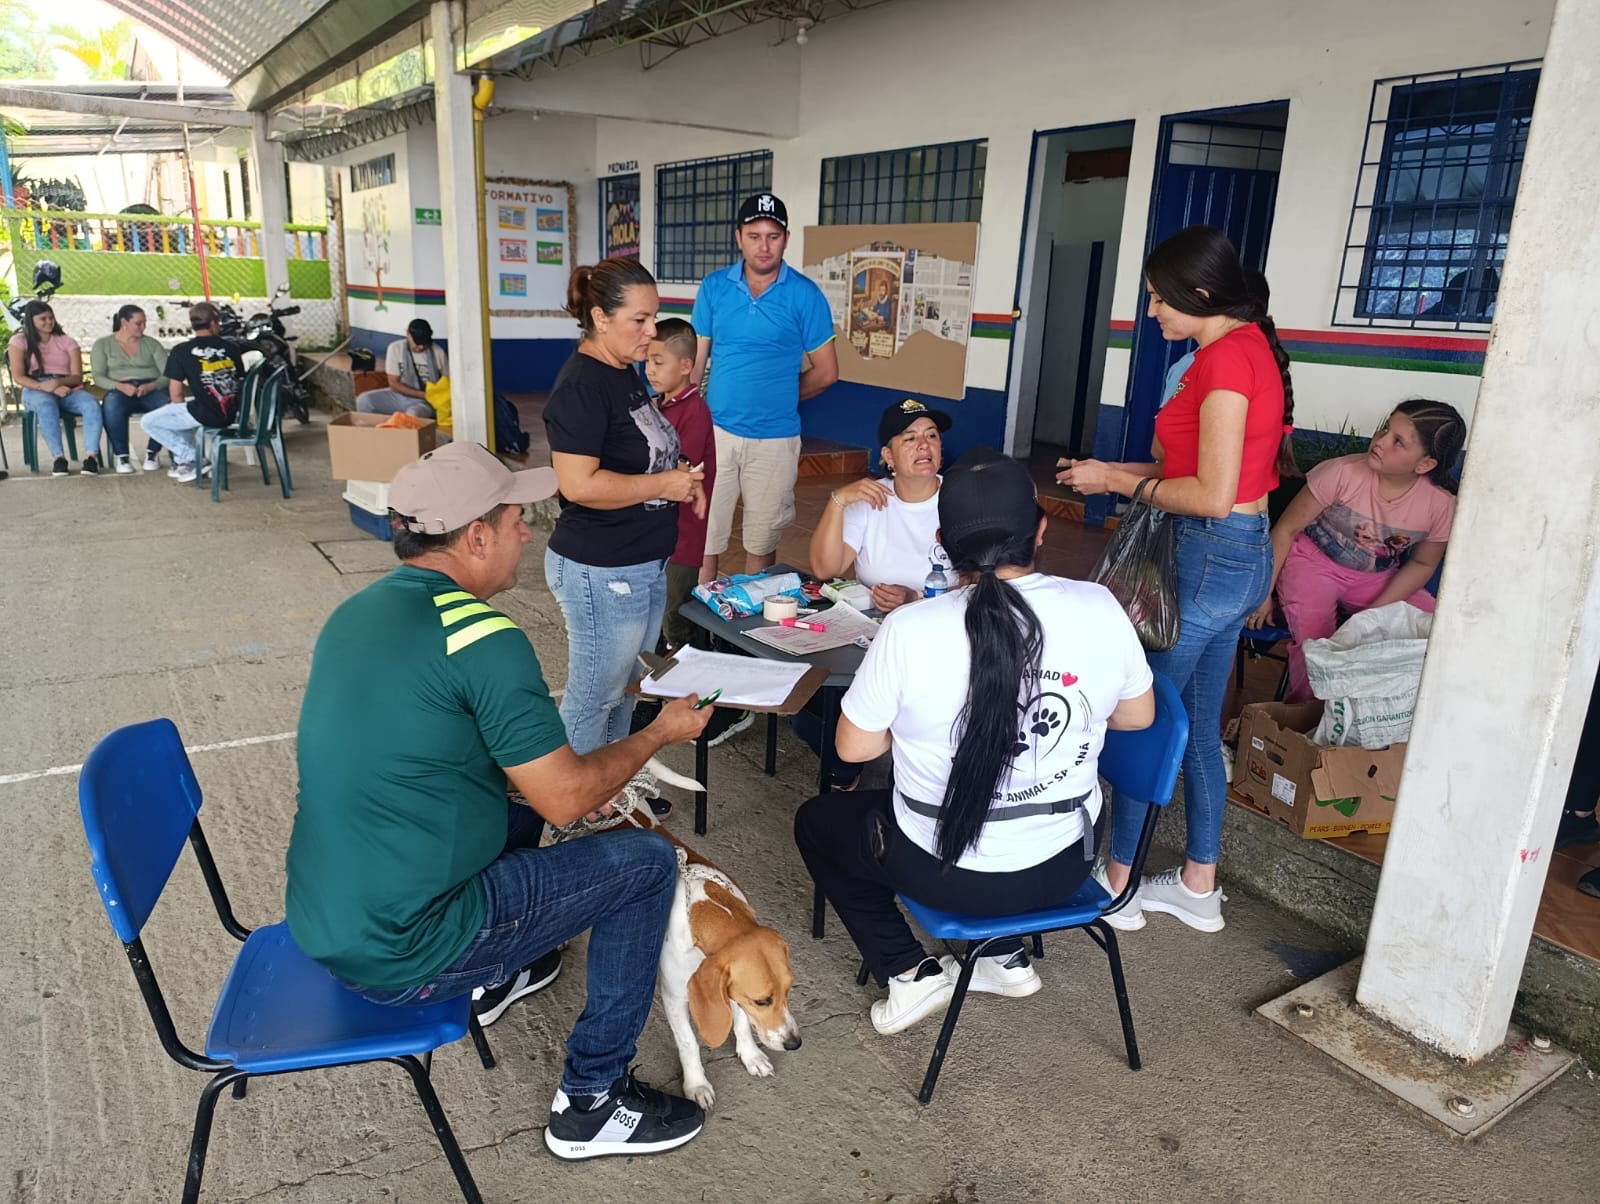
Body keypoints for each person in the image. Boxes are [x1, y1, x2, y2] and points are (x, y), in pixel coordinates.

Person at [285, 440, 713, 1161]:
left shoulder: (357, 613)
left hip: (329, 917)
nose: (529, 531)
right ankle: (593, 1101)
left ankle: (510, 965)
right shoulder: (484, 637)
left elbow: (469, 762)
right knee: (644, 864)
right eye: (518, 518)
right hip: (407, 951)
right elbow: (567, 799)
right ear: (475, 536)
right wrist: (661, 733)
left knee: (522, 804)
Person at [795, 447, 1154, 1035]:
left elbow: (855, 750)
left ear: (943, 541)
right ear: (1040, 531)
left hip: (942, 870)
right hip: (1065, 865)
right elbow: (1137, 718)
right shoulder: (1099, 606)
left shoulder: (911, 628)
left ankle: (910, 973)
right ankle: (1001, 954)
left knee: (818, 822)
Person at [1059, 224, 1293, 934]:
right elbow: (1207, 477)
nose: (1152, 312)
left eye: (1160, 300)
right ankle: (1197, 883)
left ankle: (1117, 882)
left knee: (1143, 713)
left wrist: (1121, 485)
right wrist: (1114, 474)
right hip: (1238, 558)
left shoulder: (1226, 361)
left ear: (1199, 294)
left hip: (1208, 552)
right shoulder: (1243, 349)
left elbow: (1209, 495)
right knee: (1189, 728)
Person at [543, 258, 706, 755]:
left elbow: (641, 449)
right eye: (640, 320)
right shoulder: (582, 385)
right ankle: (571, 805)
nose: (651, 332)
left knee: (626, 695)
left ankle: (608, 792)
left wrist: (680, 480)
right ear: (600, 318)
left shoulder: (624, 374)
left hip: (641, 563)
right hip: (601, 567)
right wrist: (664, 483)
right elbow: (578, 485)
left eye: (654, 317)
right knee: (595, 697)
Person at [1246, 399, 1465, 702]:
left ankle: (1396, 717)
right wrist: (1262, 595)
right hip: (1312, 563)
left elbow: (1423, 564)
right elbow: (1285, 530)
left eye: (1398, 441)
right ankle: (1308, 719)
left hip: (1375, 577)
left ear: (1425, 464)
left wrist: (1374, 613)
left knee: (1435, 627)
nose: (1380, 441)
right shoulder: (1342, 472)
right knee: (1316, 639)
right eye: (1385, 428)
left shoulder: (1440, 505)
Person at [691, 192, 840, 581]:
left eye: (772, 236)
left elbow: (826, 372)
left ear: (786, 239)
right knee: (706, 537)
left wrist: (784, 396)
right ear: (738, 237)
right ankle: (699, 631)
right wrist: (687, 424)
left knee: (761, 541)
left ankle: (746, 632)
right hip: (716, 433)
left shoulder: (805, 295)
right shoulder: (714, 288)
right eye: (754, 235)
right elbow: (695, 364)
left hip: (775, 441)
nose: (763, 245)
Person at [809, 398, 953, 614]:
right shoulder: (871, 498)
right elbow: (825, 569)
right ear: (889, 456)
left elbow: (981, 579)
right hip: (874, 622)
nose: (924, 444)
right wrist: (837, 501)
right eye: (910, 438)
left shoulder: (961, 496)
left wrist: (916, 596)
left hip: (944, 618)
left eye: (932, 435)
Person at [644, 317, 717, 653]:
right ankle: (658, 692)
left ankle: (695, 691)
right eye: (647, 360)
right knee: (655, 616)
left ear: (686, 365)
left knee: (677, 618)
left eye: (659, 362)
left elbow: (680, 466)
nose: (650, 370)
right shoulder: (658, 405)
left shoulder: (695, 411)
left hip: (682, 539)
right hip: (654, 534)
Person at [140, 302, 250, 484]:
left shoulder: (181, 351)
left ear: (193, 325)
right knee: (184, 410)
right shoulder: (231, 348)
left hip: (208, 414)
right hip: (231, 411)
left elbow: (175, 393)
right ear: (214, 323)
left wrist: (179, 413)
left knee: (149, 421)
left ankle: (191, 457)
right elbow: (238, 380)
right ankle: (185, 462)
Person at [7, 300, 104, 476]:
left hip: (66, 387)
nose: (49, 322)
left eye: (51, 318)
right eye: (42, 319)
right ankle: (59, 458)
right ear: (31, 320)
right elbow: (19, 376)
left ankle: (91, 457)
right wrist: (47, 387)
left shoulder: (67, 342)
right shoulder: (19, 341)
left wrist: (57, 384)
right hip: (35, 387)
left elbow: (77, 376)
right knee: (46, 406)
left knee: (91, 404)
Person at [92, 304, 170, 473]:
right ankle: (122, 456)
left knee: (166, 405)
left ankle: (153, 452)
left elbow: (168, 374)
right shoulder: (102, 344)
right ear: (124, 322)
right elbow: (98, 376)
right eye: (138, 323)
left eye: (144, 323)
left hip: (150, 387)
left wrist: (152, 386)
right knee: (111, 405)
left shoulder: (152, 344)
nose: (143, 327)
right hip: (120, 388)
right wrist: (119, 386)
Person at [357, 318, 448, 419]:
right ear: (408, 334)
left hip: (428, 402)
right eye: (417, 343)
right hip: (401, 396)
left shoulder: (438, 352)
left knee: (412, 415)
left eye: (424, 343)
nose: (421, 347)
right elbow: (394, 383)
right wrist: (423, 394)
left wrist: (434, 397)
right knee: (363, 401)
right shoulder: (395, 348)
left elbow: (448, 382)